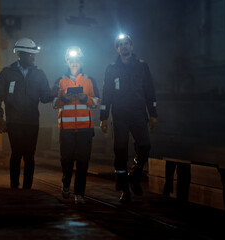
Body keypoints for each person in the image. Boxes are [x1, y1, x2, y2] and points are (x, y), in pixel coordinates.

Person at [100, 34, 158, 203]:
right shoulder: (111, 68)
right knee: (120, 151)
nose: (124, 47)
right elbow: (106, 94)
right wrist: (103, 117)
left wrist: (153, 114)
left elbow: (150, 90)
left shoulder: (142, 66)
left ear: (132, 47)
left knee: (145, 146)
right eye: (120, 45)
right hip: (119, 116)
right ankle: (124, 189)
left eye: (127, 44)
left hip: (138, 114)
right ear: (117, 49)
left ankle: (135, 175)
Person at [0, 37, 52, 189]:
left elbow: (45, 98)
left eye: (34, 54)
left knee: (29, 155)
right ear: (20, 55)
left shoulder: (39, 74)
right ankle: (14, 188)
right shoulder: (7, 73)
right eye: (30, 54)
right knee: (17, 154)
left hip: (31, 122)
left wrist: (54, 93)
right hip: (14, 121)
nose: (33, 57)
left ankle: (27, 189)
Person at [52, 46, 100, 204]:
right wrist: (63, 98)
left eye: (77, 60)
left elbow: (97, 101)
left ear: (81, 61)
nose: (74, 63)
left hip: (85, 129)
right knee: (66, 160)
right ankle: (66, 183)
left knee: (83, 161)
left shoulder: (89, 80)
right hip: (66, 130)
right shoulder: (60, 81)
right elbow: (53, 102)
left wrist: (85, 97)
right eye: (71, 60)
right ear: (67, 61)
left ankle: (79, 194)